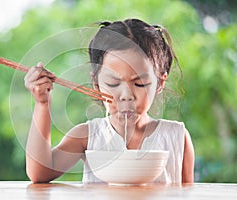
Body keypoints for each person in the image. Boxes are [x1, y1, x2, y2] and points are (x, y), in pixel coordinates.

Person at [24, 18, 194, 184]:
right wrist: (42, 104)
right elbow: (39, 173)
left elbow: (189, 194)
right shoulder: (87, 136)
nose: (126, 95)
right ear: (96, 84)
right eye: (113, 83)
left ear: (160, 83)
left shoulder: (176, 136)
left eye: (139, 83)